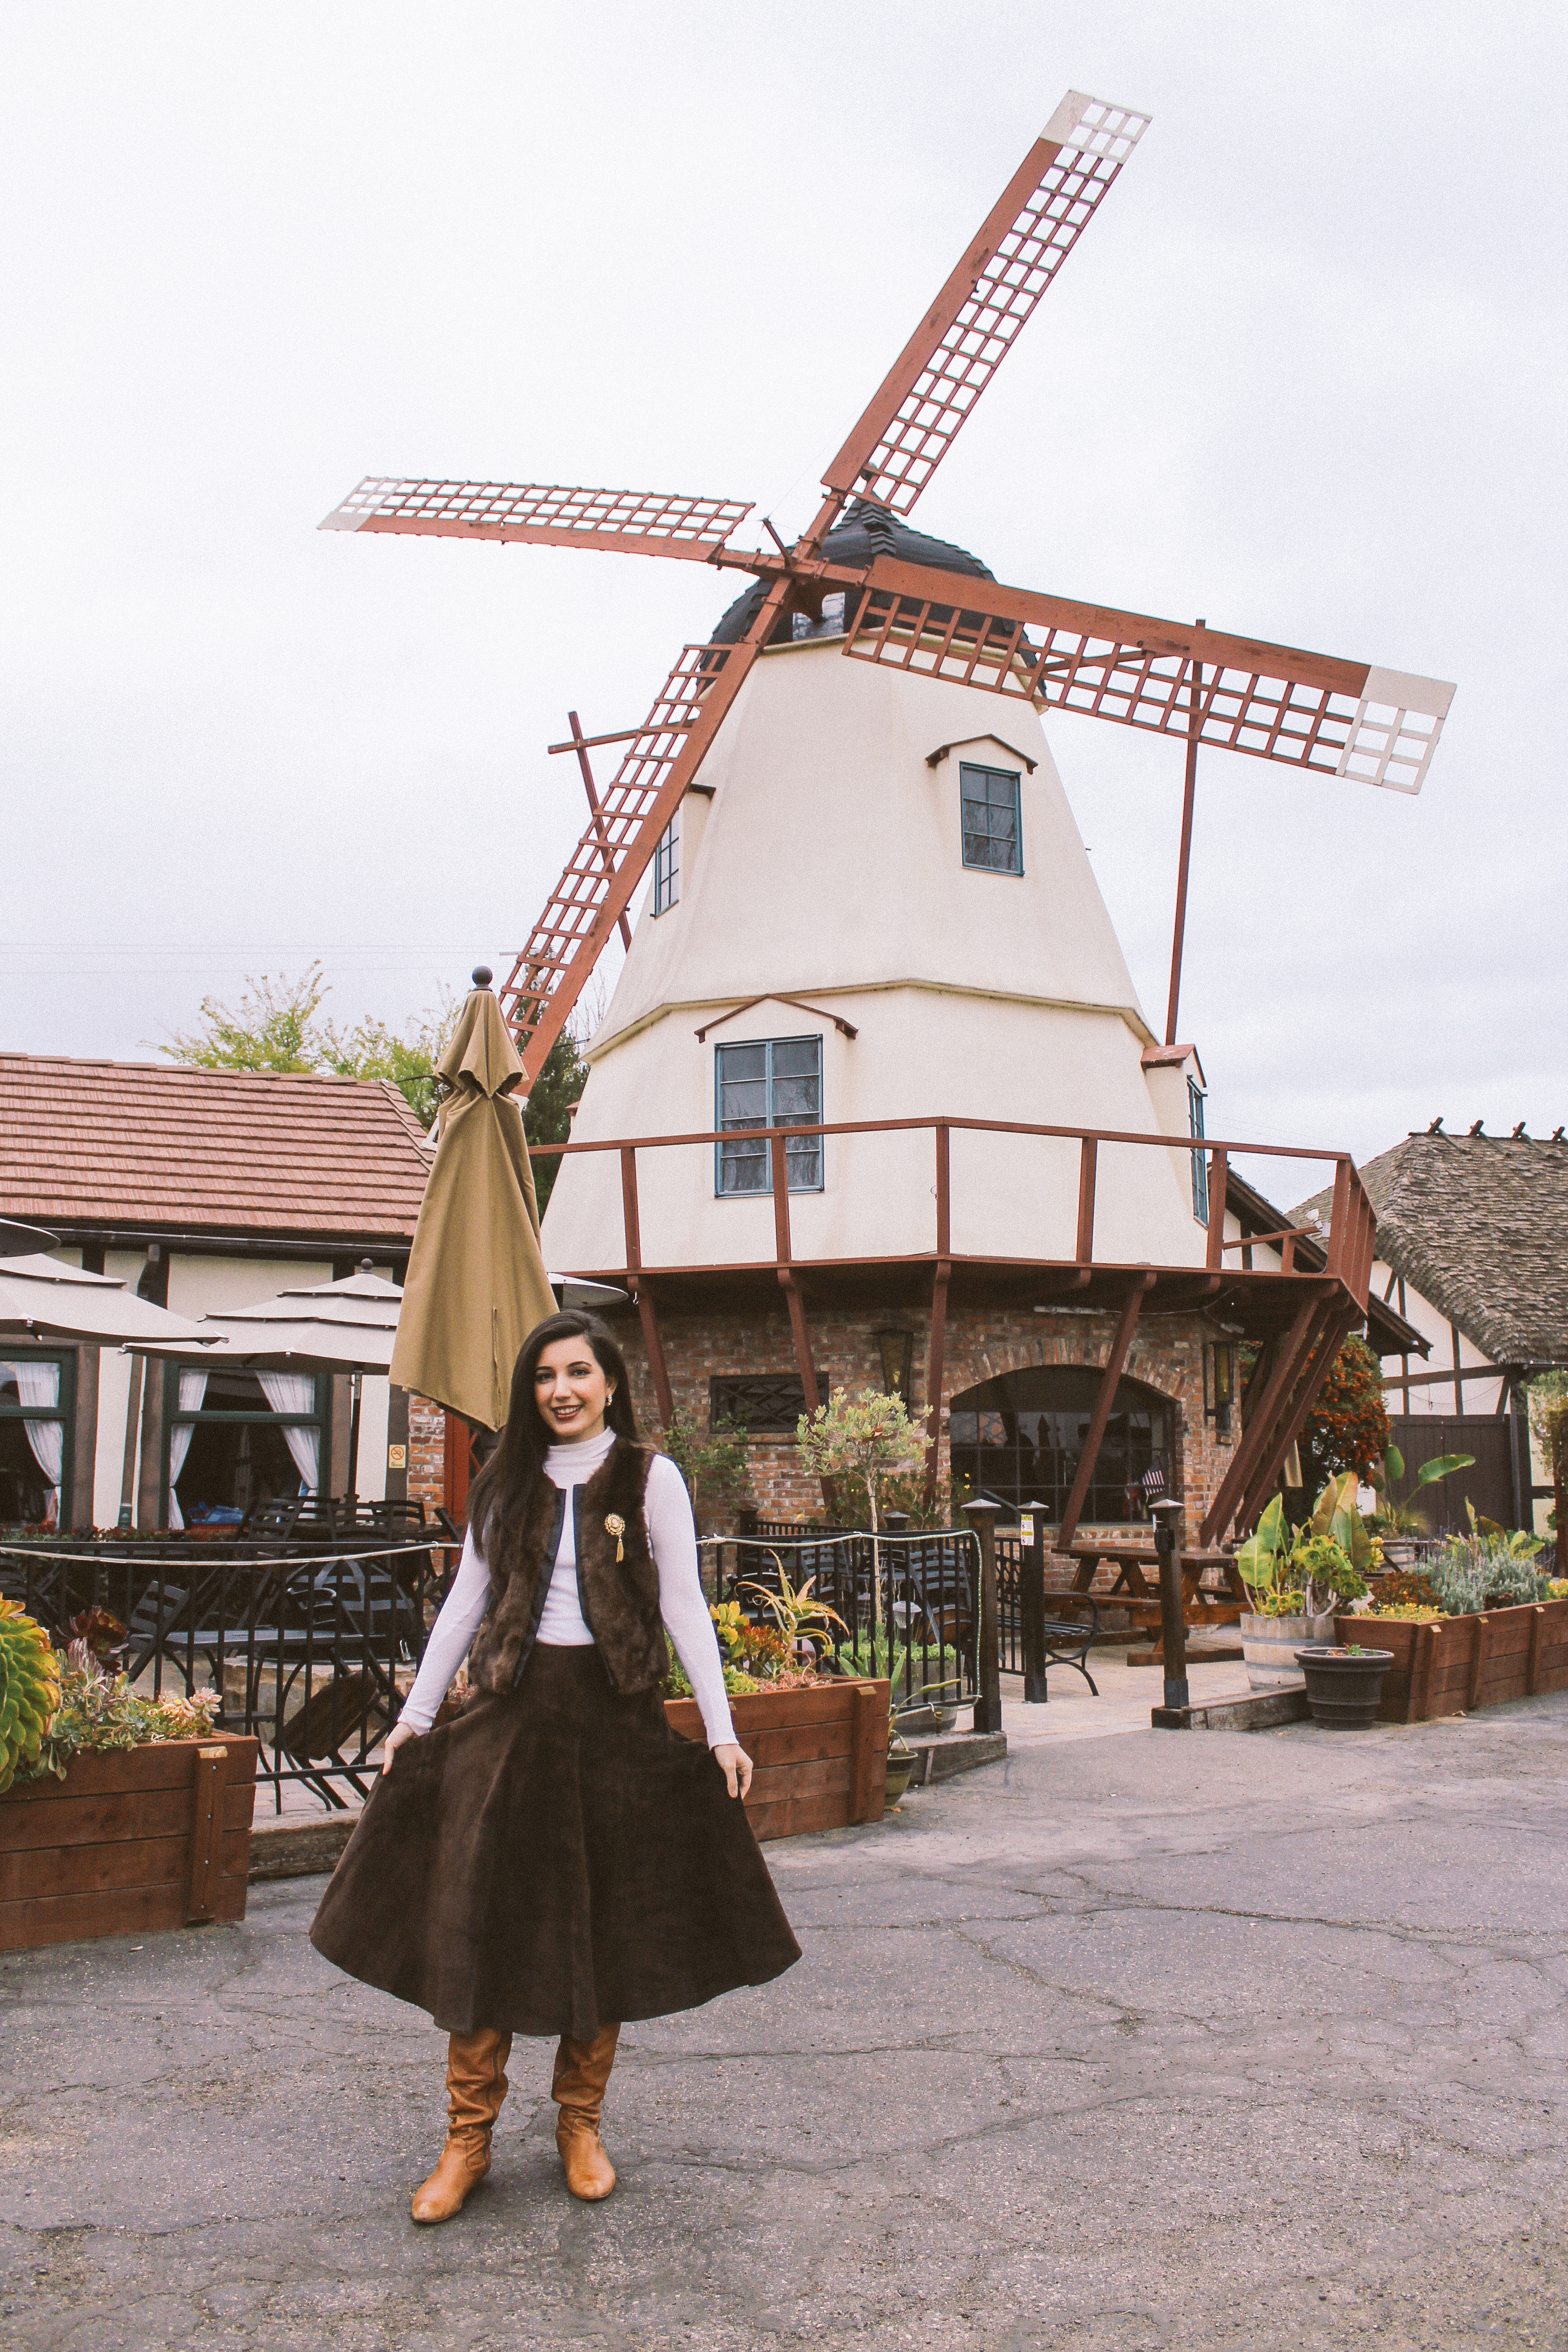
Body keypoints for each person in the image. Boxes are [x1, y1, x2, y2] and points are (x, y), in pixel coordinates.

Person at [310, 1310, 800, 2222]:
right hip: (510, 1726)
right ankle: (468, 2142)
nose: (562, 1390)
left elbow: (688, 1606)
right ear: (530, 1391)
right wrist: (415, 1718)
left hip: (614, 1731)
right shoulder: (505, 1480)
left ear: (611, 1382)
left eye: (579, 1372)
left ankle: (581, 2125)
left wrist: (723, 1728)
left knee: (601, 1923)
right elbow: (466, 1602)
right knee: (480, 1917)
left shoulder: (651, 1479)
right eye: (545, 1376)